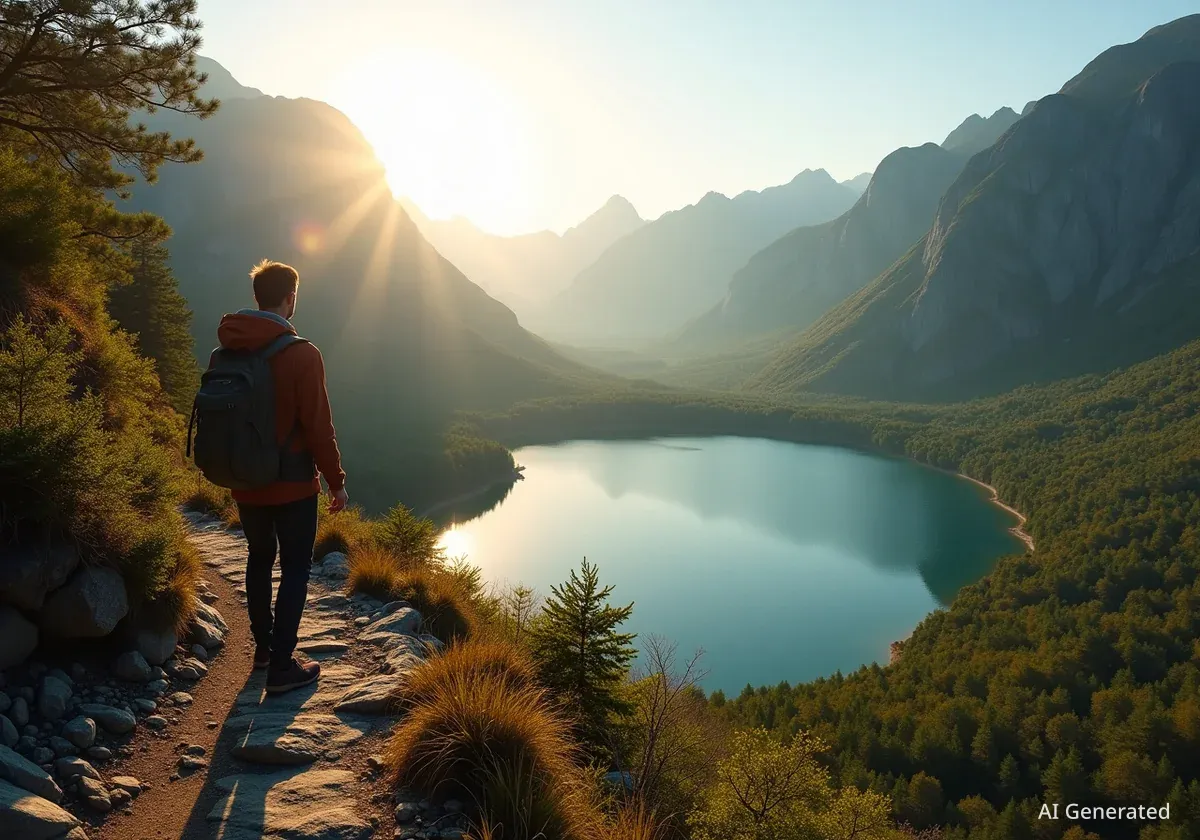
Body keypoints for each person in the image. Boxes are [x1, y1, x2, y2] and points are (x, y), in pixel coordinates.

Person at [209, 259, 348, 694]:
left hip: (245, 480)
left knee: (258, 557)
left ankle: (265, 650)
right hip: (291, 483)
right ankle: (283, 667)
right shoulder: (302, 354)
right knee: (294, 571)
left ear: (257, 298)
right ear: (290, 298)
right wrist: (336, 481)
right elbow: (318, 426)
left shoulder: (225, 351)